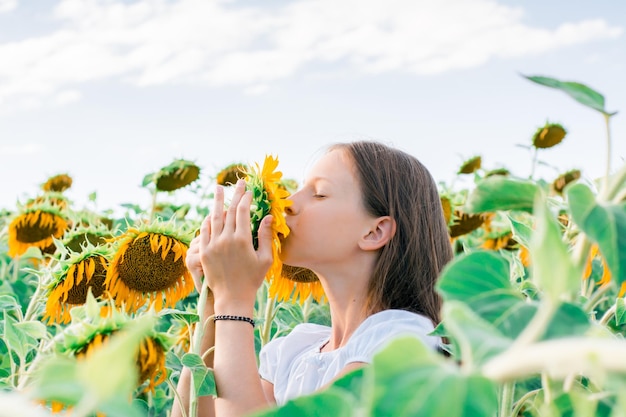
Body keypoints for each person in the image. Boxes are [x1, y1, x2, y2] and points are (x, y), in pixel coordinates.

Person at [172, 141, 453, 417]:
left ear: (374, 232)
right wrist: (213, 300)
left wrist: (234, 299)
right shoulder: (295, 351)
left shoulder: (402, 342)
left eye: (318, 194)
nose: (288, 204)